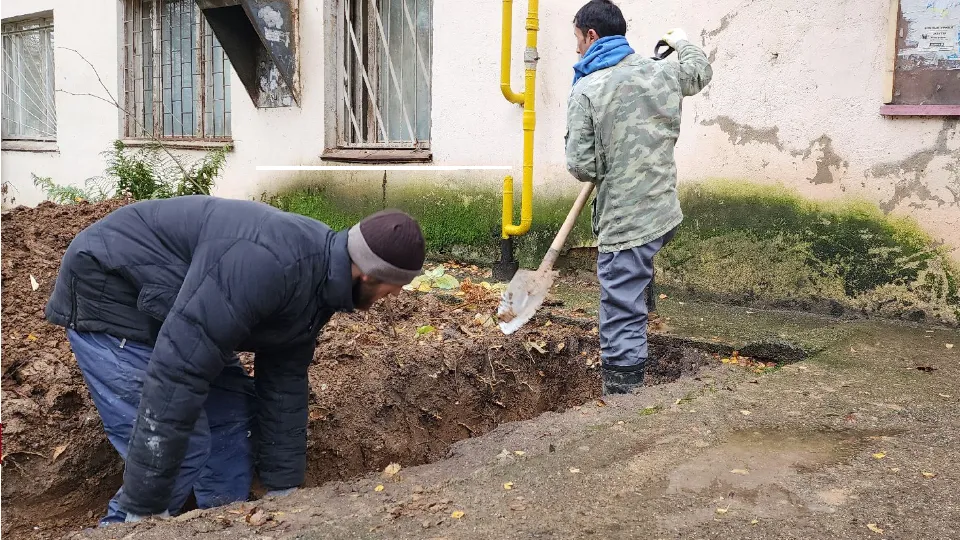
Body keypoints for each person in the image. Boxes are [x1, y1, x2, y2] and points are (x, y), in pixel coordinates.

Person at [44, 195, 426, 523]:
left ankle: (224, 524)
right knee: (184, 448)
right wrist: (144, 510)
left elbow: (284, 382)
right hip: (113, 294)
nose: (395, 295)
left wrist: (284, 494)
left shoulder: (321, 280)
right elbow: (179, 371)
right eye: (397, 285)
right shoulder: (270, 264)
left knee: (234, 421)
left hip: (181, 309)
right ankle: (125, 526)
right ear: (370, 273)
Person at [565, 0, 713, 395]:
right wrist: (682, 42)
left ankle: (624, 399)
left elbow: (583, 166)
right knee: (637, 271)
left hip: (627, 221)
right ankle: (644, 319)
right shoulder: (663, 71)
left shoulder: (587, 89)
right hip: (663, 211)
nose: (577, 48)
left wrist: (610, 152)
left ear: (591, 35)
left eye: (577, 39)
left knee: (620, 312)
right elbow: (700, 71)